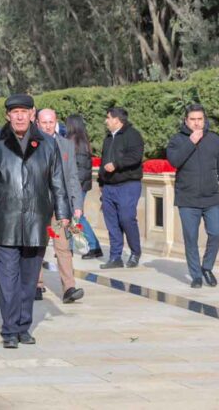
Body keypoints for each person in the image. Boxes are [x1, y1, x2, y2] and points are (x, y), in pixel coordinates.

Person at [0, 94, 70, 348]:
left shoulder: (48, 144)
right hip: (3, 219)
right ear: (7, 115)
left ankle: (24, 327)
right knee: (7, 278)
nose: (19, 116)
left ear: (32, 114)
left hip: (36, 219)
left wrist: (63, 213)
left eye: (24, 111)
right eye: (14, 112)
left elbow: (58, 182)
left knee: (29, 279)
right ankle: (9, 330)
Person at [167, 103, 219, 288]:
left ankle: (207, 267)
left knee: (215, 233)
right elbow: (174, 161)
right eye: (193, 120)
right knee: (191, 237)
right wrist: (191, 142)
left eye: (200, 119)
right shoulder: (177, 140)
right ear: (186, 121)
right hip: (187, 199)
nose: (197, 123)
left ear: (205, 120)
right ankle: (196, 275)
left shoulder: (214, 140)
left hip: (211, 198)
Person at [36, 109, 85, 304]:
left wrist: (77, 204)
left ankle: (69, 288)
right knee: (37, 246)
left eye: (51, 122)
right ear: (37, 123)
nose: (48, 125)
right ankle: (36, 285)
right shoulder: (32, 144)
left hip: (59, 208)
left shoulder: (66, 145)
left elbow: (73, 176)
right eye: (44, 122)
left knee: (62, 247)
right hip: (38, 207)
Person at [97, 107, 145, 269]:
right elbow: (104, 160)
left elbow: (135, 157)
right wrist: (101, 183)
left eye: (108, 118)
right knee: (112, 223)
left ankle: (135, 252)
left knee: (126, 218)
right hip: (109, 186)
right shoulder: (108, 138)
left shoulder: (133, 135)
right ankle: (115, 257)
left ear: (117, 120)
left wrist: (117, 165)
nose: (106, 121)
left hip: (128, 184)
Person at [65, 115, 102, 259]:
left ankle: (93, 246)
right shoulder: (81, 140)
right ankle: (71, 247)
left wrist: (75, 188)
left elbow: (79, 168)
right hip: (79, 185)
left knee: (77, 216)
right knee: (75, 216)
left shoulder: (76, 142)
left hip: (77, 186)